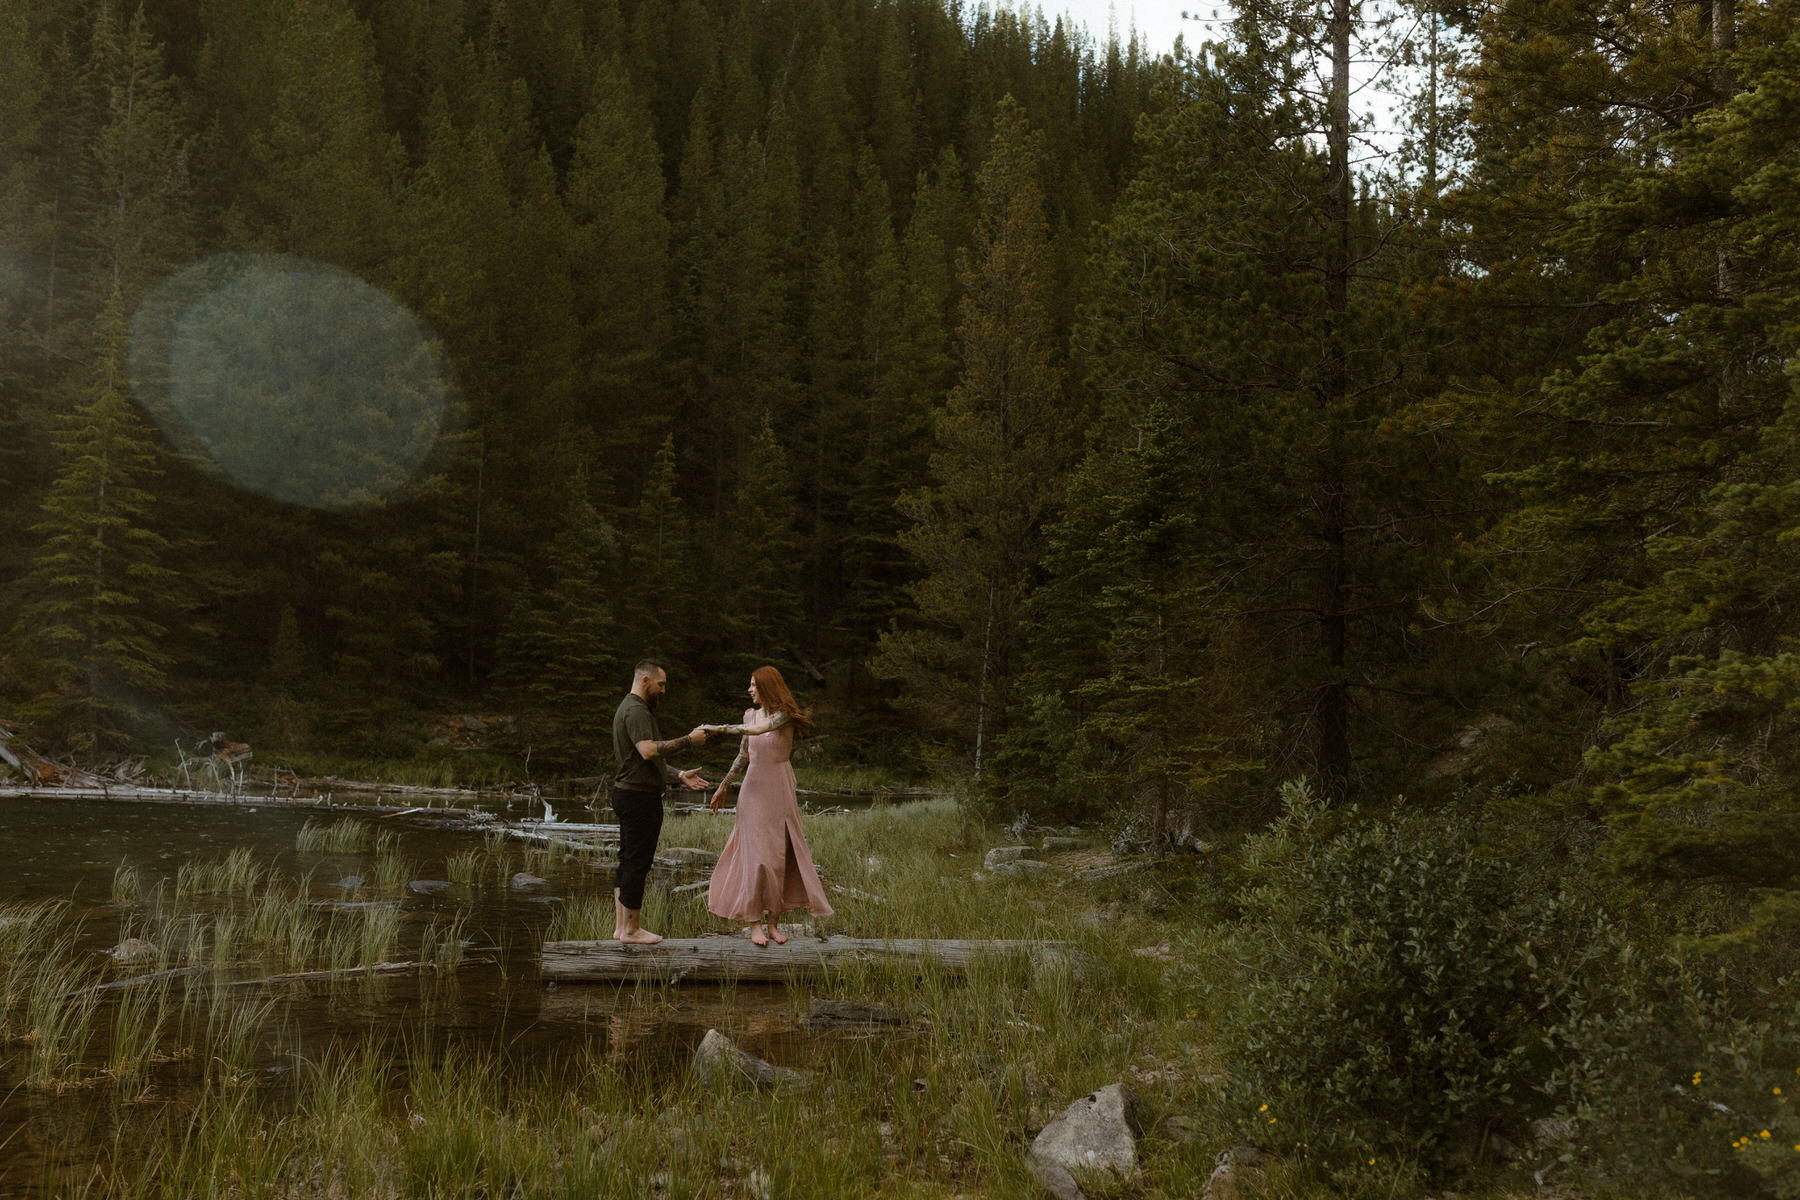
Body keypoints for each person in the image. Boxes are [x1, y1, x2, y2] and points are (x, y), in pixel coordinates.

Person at [704, 665, 832, 946]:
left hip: (779, 788)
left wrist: (718, 729)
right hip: (753, 790)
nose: (749, 690)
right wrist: (724, 785)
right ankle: (754, 924)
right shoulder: (749, 714)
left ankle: (773, 922)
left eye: (753, 684)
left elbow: (761, 729)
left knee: (776, 858)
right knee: (757, 858)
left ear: (767, 687)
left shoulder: (783, 715)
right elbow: (743, 755)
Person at [610, 659, 710, 944]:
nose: (663, 691)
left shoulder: (629, 708)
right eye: (661, 684)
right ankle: (631, 930)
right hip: (638, 797)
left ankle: (621, 928)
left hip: (630, 792)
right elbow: (647, 750)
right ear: (645, 681)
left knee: (628, 860)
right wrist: (690, 740)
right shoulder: (636, 710)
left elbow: (637, 759)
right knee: (637, 863)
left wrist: (678, 774)